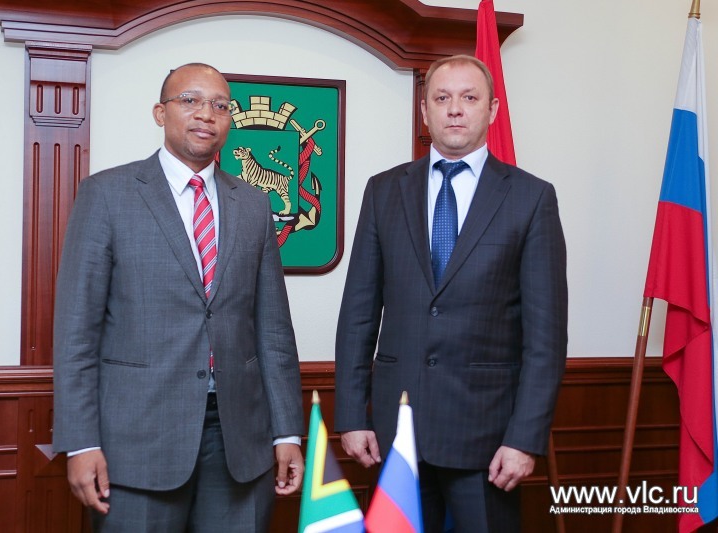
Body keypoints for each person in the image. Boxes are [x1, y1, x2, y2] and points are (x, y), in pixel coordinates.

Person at [52, 62, 304, 532]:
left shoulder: (253, 204)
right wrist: (80, 442)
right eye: (190, 101)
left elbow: (273, 328)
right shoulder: (106, 195)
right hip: (135, 444)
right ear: (160, 112)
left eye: (220, 105)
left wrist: (287, 431)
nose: (206, 113)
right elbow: (76, 332)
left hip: (239, 440)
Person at [334, 55, 567, 532]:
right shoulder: (384, 191)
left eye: (469, 97)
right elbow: (358, 314)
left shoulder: (531, 198)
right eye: (442, 98)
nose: (455, 109)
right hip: (396, 434)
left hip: (488, 440)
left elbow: (545, 337)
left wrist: (524, 438)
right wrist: (352, 415)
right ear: (425, 111)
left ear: (492, 110)